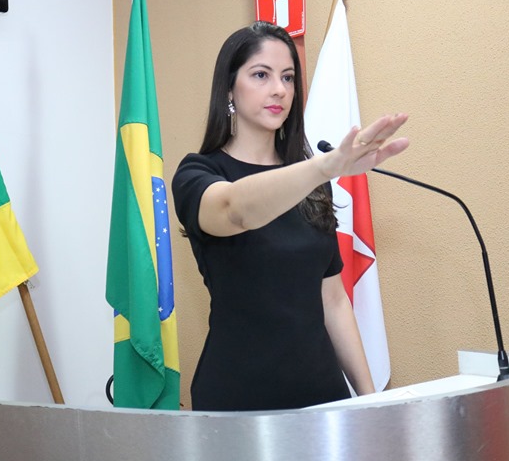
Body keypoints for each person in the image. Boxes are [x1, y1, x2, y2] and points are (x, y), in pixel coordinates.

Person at [172, 21, 409, 411]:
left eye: (287, 78)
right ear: (229, 89)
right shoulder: (198, 173)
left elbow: (333, 300)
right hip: (238, 400)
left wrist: (370, 403)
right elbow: (234, 211)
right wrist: (324, 167)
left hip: (321, 396)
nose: (279, 90)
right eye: (260, 75)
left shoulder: (313, 182)